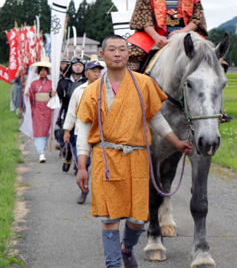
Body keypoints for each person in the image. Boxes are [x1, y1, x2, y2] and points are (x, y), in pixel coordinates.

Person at [76, 35, 193, 268]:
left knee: (138, 218)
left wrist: (176, 141)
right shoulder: (92, 91)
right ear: (103, 55)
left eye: (122, 49)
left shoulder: (144, 84)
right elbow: (84, 129)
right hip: (105, 159)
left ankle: (127, 248)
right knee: (109, 218)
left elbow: (156, 118)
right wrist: (81, 166)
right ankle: (114, 264)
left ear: (129, 55)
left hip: (138, 157)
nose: (117, 53)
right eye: (112, 49)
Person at [63, 55, 105, 203]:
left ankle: (101, 195)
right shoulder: (79, 90)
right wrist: (67, 130)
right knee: (83, 164)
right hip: (82, 133)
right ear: (86, 73)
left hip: (102, 135)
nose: (96, 74)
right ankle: (84, 191)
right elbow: (71, 111)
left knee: (103, 165)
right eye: (93, 71)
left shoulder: (107, 90)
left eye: (99, 71)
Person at [56, 56, 87, 172]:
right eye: (75, 65)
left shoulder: (86, 82)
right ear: (71, 67)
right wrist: (52, 95)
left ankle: (77, 165)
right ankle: (67, 157)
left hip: (81, 114)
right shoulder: (63, 82)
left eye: (80, 65)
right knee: (66, 139)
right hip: (66, 113)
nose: (78, 68)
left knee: (78, 141)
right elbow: (57, 98)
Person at [24, 57, 56, 162]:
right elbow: (31, 94)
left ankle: (43, 149)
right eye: (41, 69)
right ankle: (41, 153)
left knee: (45, 130)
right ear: (38, 71)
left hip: (48, 108)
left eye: (45, 70)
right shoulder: (34, 83)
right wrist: (28, 94)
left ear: (48, 71)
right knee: (38, 131)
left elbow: (55, 96)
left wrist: (53, 94)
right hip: (37, 108)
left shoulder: (52, 83)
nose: (43, 72)